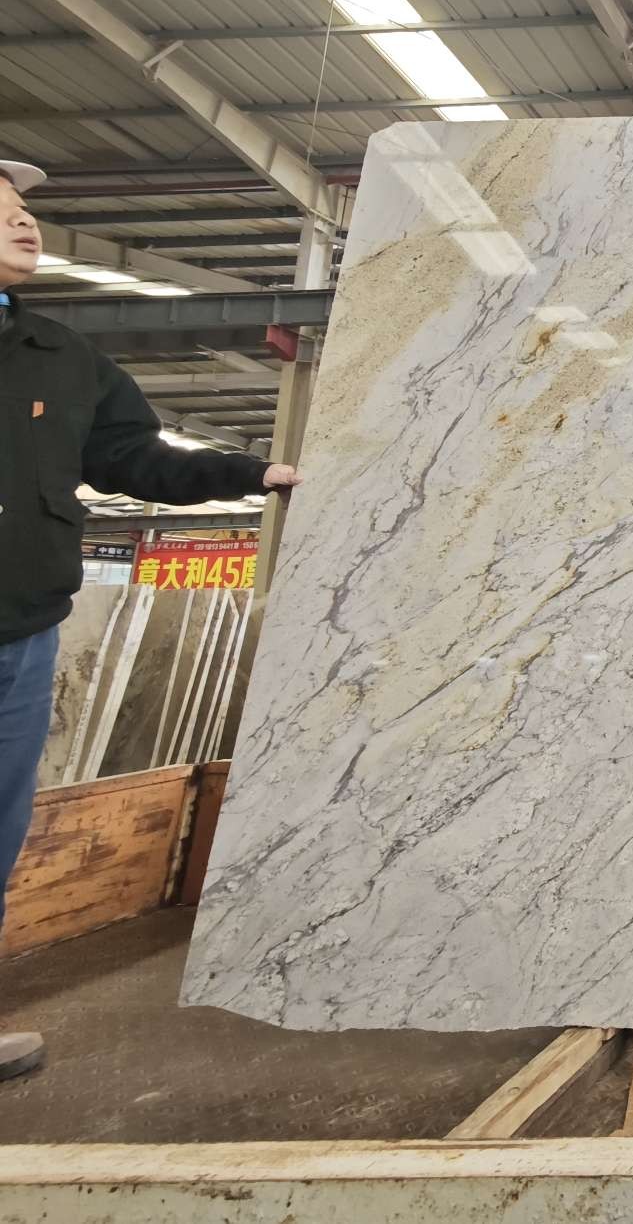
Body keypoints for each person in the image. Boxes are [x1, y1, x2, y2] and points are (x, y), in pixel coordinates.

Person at [0, 157, 303, 1082]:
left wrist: (253, 473)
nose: (24, 225)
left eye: (22, 210)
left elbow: (135, 457)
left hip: (20, 631)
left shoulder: (61, 356)